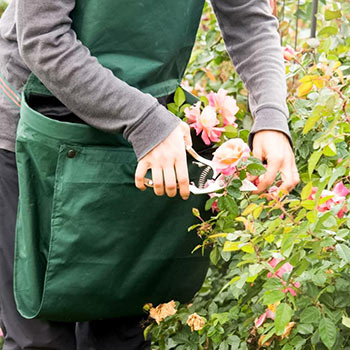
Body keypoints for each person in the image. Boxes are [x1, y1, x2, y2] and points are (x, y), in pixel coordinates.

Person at [0, 0, 299, 349]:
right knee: (41, 338)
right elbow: (43, 39)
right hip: (34, 133)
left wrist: (272, 118)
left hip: (139, 139)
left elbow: (248, 19)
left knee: (121, 331)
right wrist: (145, 120)